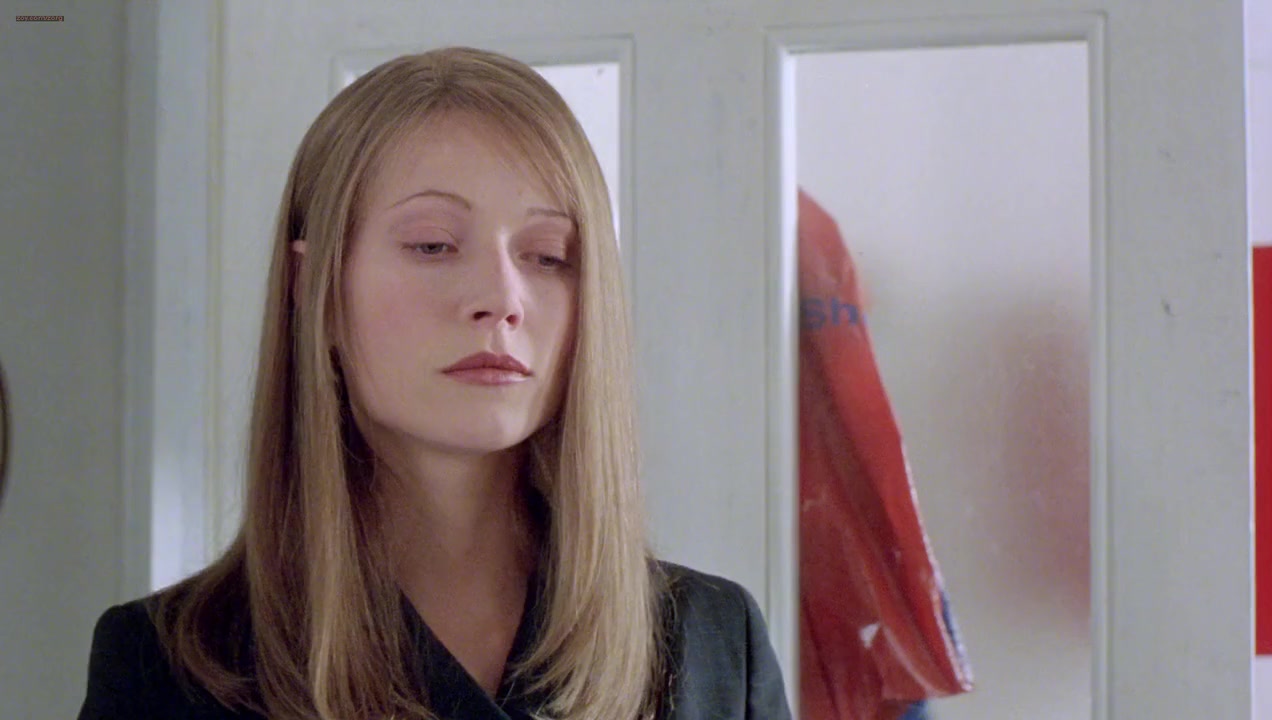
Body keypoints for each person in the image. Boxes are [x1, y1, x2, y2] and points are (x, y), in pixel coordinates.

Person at [77, 47, 791, 720]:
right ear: (314, 287)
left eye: (548, 256)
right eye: (433, 245)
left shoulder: (713, 643)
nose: (501, 298)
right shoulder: (165, 668)